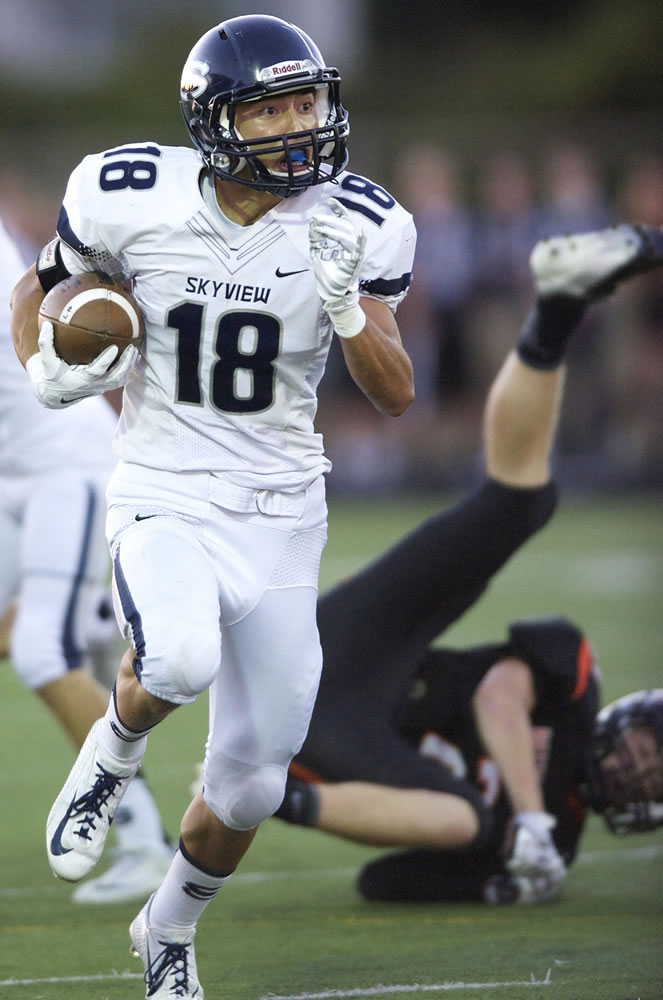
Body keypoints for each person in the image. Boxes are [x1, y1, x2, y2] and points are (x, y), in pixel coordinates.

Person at [11, 14, 415, 998]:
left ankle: (169, 931)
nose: (295, 126)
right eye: (270, 107)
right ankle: (110, 756)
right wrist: (43, 365)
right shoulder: (130, 194)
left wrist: (350, 308)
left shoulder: (357, 219)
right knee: (180, 654)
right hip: (163, 484)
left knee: (253, 782)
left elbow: (396, 392)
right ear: (217, 119)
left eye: (306, 101)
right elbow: (42, 288)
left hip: (282, 509)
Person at [274, 221, 663, 904]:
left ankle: (246, 795)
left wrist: (503, 874)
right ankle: (558, 307)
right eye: (648, 750)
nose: (639, 770)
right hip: (354, 657)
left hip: (328, 750)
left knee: (462, 820)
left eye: (655, 774)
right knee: (519, 504)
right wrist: (531, 815)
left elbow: (383, 882)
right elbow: (498, 694)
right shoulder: (571, 685)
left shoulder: (559, 852)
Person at [0, 219, 173, 905]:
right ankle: (100, 628)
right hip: (15, 475)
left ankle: (142, 837)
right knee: (26, 640)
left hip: (62, 468)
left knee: (44, 649)